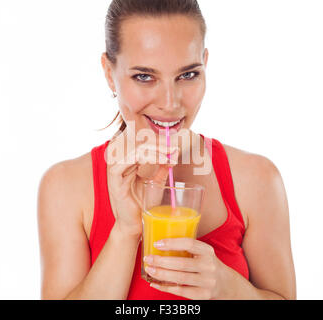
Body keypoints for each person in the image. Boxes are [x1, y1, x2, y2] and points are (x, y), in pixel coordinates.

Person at [37, 0, 296, 300]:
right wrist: (125, 232)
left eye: (187, 75)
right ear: (110, 73)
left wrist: (227, 287)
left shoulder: (258, 180)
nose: (170, 103)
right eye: (144, 77)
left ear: (205, 65)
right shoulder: (64, 187)